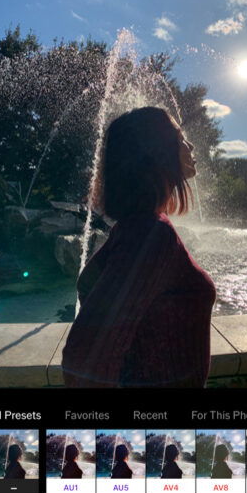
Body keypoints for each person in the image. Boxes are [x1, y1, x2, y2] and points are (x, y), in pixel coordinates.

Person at [62, 106, 216, 388]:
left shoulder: (136, 228)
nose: (190, 145)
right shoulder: (150, 234)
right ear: (156, 152)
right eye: (179, 137)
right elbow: (84, 361)